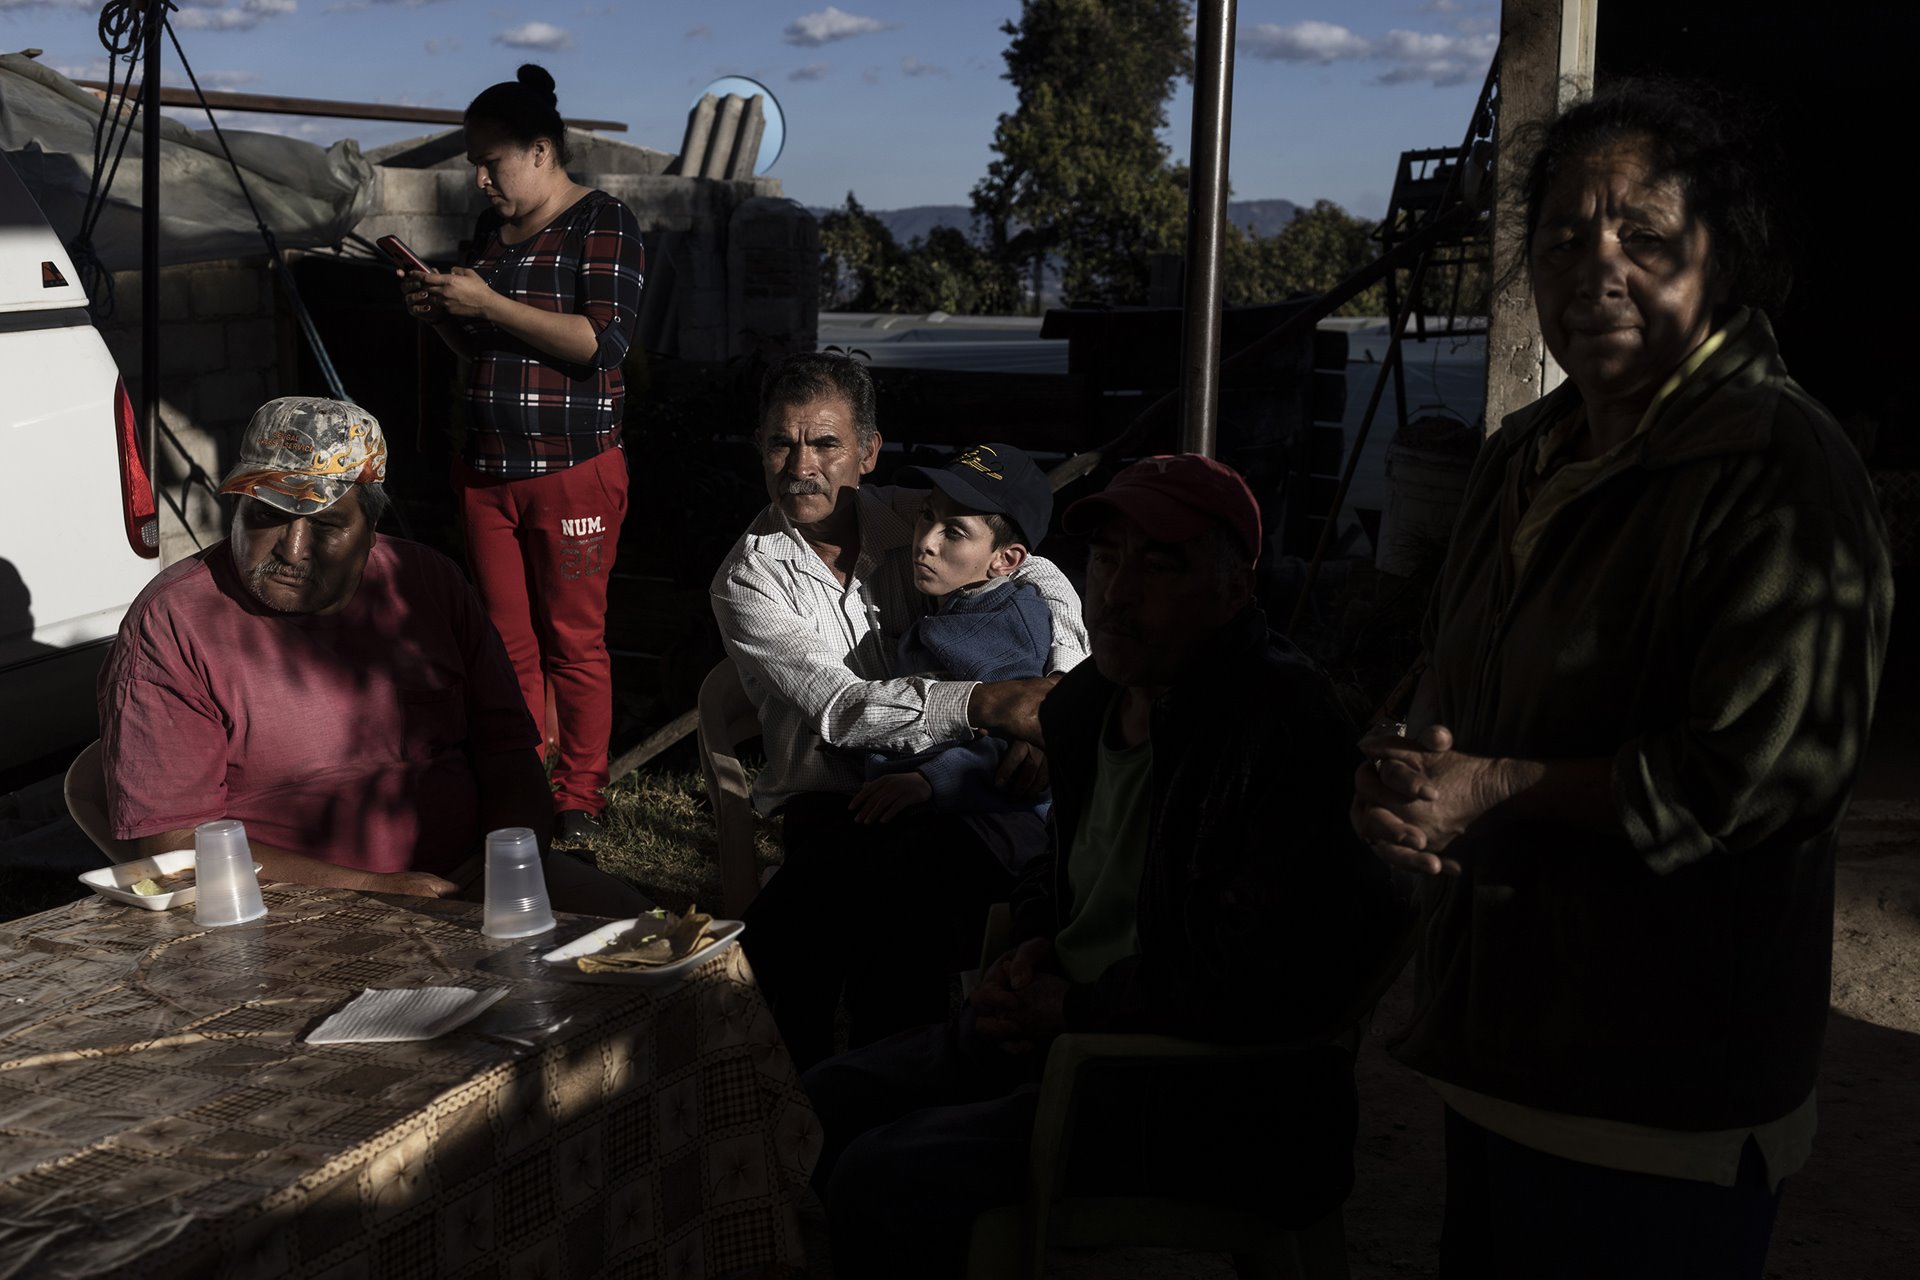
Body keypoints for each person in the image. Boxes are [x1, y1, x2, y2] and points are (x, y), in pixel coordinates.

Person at [1350, 81, 1894, 1280]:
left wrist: (1495, 784)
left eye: (1643, 237)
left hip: (1664, 1089)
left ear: (1724, 258)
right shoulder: (1523, 452)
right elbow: (1452, 662)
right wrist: (1401, 765)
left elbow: (1760, 779)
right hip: (1502, 1049)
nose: (1595, 270)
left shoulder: (1779, 464)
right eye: (1560, 239)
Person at [802, 454, 1406, 1278]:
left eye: (1161, 565)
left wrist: (1072, 1006)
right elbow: (1066, 870)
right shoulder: (1087, 701)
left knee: (883, 1176)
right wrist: (1032, 945)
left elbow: (1259, 976)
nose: (1118, 591)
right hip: (1067, 1040)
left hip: (1201, 1095)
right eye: (1110, 559)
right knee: (809, 1107)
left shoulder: (1279, 726)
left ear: (1235, 591)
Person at [98, 396, 652, 916]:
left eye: (325, 525)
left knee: (659, 952)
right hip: (283, 906)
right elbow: (172, 842)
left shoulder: (426, 583)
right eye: (267, 515)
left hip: (477, 877)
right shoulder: (175, 621)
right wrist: (376, 890)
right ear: (237, 509)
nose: (292, 550)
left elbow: (508, 753)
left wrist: (504, 866)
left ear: (370, 529)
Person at [709, 353, 1089, 1069]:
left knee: (881, 908)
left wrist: (1055, 701)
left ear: (868, 453)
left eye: (825, 443)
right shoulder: (749, 578)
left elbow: (1035, 567)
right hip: (830, 796)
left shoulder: (910, 520)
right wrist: (987, 704)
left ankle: (859, 1096)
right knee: (863, 902)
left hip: (953, 796)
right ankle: (817, 1092)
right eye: (781, 443)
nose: (802, 465)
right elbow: (841, 710)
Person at [399, 62, 645, 853]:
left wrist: (489, 301)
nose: (478, 178)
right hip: (488, 471)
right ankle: (520, 781)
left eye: (489, 160)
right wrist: (442, 312)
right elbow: (482, 345)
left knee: (573, 638)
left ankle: (580, 796)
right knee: (505, 644)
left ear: (540, 151)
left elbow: (599, 342)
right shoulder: (493, 237)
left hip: (571, 469)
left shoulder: (602, 222)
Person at [849, 444, 1056, 881]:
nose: (925, 542)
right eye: (926, 515)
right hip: (924, 810)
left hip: (988, 832)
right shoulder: (953, 604)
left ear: (1006, 559)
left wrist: (930, 780)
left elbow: (1019, 734)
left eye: (954, 533)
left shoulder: (1005, 623)